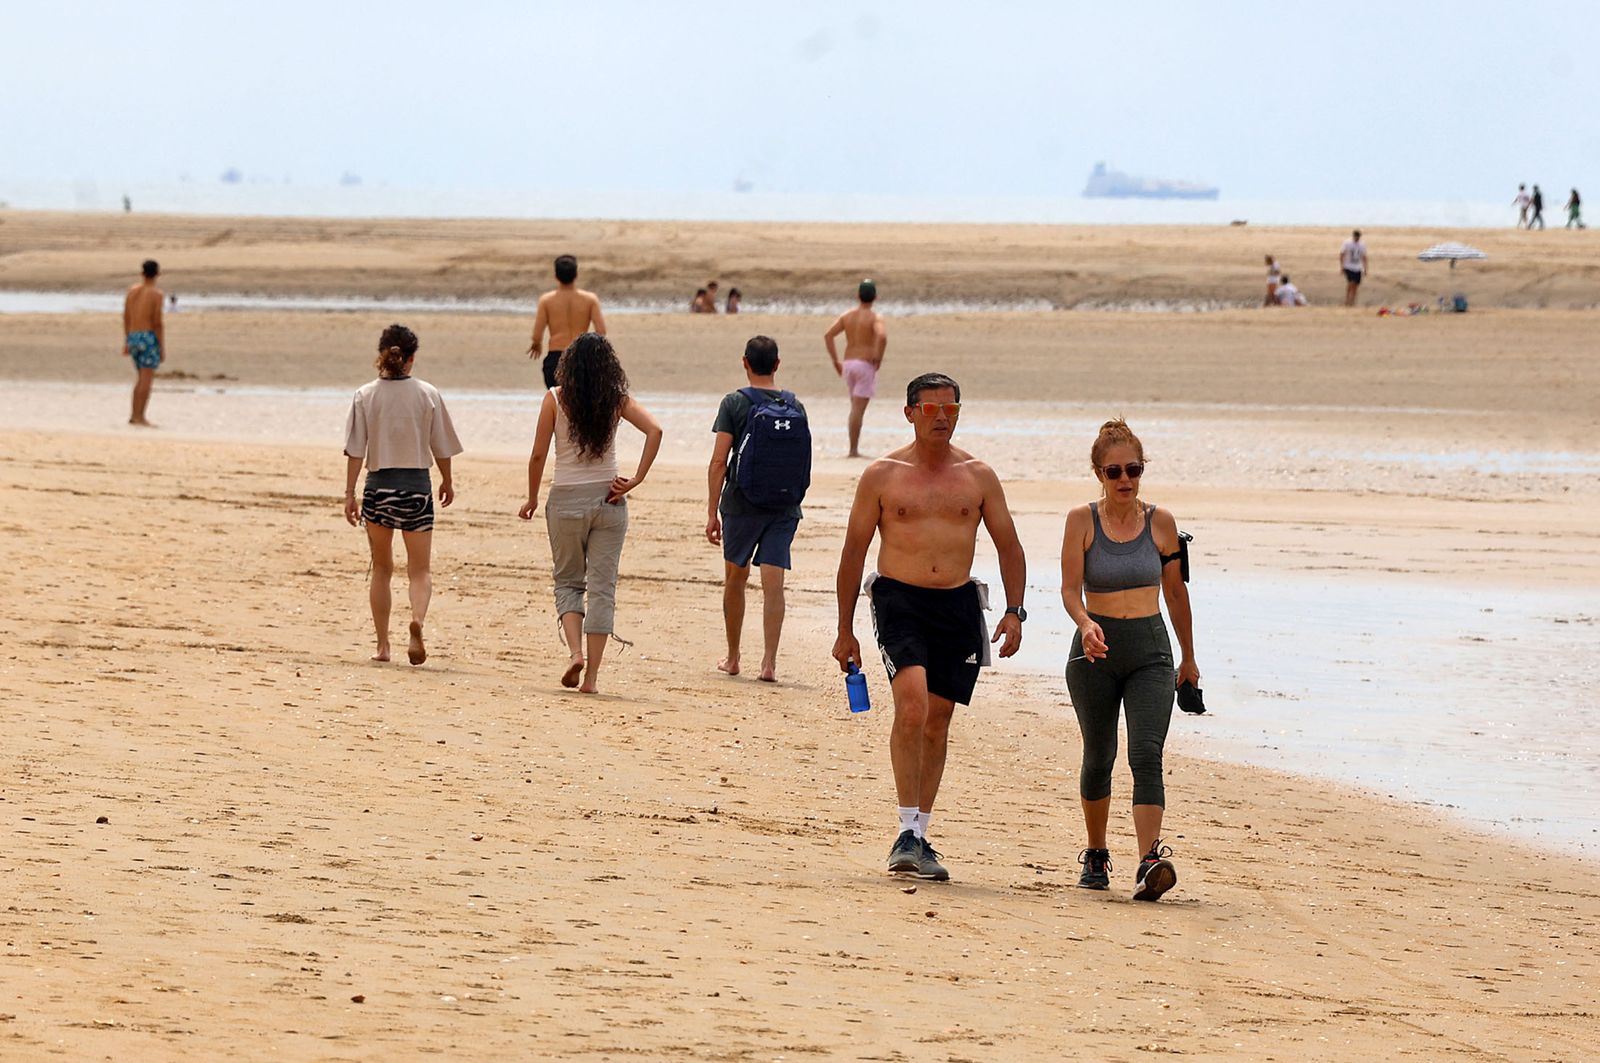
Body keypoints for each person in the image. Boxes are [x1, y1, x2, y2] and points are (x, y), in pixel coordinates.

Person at [832, 372, 1027, 882]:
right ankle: (903, 829)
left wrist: (1015, 610)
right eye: (931, 408)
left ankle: (919, 832)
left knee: (938, 720)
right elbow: (854, 551)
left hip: (959, 606)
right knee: (913, 704)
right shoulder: (881, 475)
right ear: (909, 413)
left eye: (951, 408)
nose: (942, 416)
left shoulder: (979, 476)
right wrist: (844, 628)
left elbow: (1010, 544)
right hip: (899, 600)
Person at [1060, 419, 1198, 902]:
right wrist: (1084, 624)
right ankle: (1096, 853)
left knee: (1146, 754)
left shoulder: (1161, 523)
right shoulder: (1081, 520)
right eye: (1114, 470)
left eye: (1133, 469)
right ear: (1098, 472)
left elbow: (1176, 595)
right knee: (1099, 756)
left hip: (1150, 652)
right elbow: (1068, 590)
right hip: (1094, 650)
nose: (1125, 479)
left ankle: (1147, 861)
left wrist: (1189, 658)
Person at [519, 333, 663, 694]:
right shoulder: (616, 399)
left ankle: (575, 654)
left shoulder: (554, 398)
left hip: (565, 500)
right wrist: (636, 479)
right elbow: (655, 430)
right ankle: (593, 679)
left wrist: (532, 497)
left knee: (568, 581)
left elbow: (538, 455)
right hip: (608, 500)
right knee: (602, 589)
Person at [342, 324, 463, 666]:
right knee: (419, 571)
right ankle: (418, 622)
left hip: (379, 488)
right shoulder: (427, 393)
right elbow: (442, 447)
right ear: (411, 359)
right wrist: (447, 480)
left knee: (381, 569)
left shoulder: (364, 395)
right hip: (416, 489)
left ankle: (383, 646)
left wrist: (350, 493)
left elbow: (355, 450)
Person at [706, 336, 805, 681]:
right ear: (777, 364)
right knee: (773, 584)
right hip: (784, 505)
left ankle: (733, 657)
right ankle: (769, 664)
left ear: (744, 362)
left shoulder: (733, 403)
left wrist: (711, 511)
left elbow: (720, 461)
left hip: (741, 503)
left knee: (736, 577)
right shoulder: (795, 405)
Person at [824, 279, 888, 458]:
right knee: (858, 410)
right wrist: (878, 357)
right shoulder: (875, 317)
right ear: (875, 297)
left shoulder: (847, 316)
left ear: (858, 295)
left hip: (849, 364)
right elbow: (881, 336)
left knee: (854, 407)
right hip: (864, 365)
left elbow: (828, 335)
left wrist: (836, 361)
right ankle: (853, 449)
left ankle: (853, 447)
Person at [528, 254, 606, 391]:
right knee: (582, 404)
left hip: (556, 358)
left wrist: (536, 345)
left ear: (556, 276)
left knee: (559, 404)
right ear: (576, 274)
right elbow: (601, 332)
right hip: (581, 357)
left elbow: (537, 335)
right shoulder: (590, 299)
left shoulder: (546, 300)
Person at [122, 259, 165, 426]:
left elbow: (126, 317)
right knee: (146, 379)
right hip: (147, 337)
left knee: (140, 378)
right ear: (158, 274)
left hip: (133, 336)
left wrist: (127, 339)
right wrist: (161, 346)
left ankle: (135, 414)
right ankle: (139, 416)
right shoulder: (156, 294)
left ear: (142, 273)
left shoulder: (132, 291)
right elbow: (157, 323)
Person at [1339, 230, 1367, 307]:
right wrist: (1342, 267)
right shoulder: (1347, 243)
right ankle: (1347, 300)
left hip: (1358, 267)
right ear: (1353, 236)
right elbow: (1342, 254)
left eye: (1358, 237)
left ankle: (1353, 302)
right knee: (1350, 283)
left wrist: (1365, 268)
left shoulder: (1362, 244)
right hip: (1348, 266)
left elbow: (1364, 257)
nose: (1357, 238)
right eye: (1355, 237)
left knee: (1356, 285)